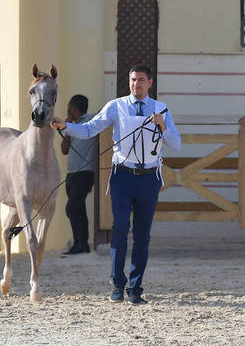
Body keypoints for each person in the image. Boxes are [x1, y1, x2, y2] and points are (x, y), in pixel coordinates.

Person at [51, 66, 181, 305]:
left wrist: (162, 125)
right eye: (133, 80)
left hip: (149, 178)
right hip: (122, 175)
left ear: (150, 83)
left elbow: (177, 144)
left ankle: (135, 288)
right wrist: (66, 126)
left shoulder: (161, 109)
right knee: (120, 228)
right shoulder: (116, 106)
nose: (136, 84)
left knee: (142, 235)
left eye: (141, 80)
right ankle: (117, 284)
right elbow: (90, 129)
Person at [59, 94, 97, 255]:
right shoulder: (72, 127)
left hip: (85, 173)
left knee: (72, 208)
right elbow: (64, 150)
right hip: (71, 174)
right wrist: (68, 126)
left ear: (74, 109)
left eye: (69, 109)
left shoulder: (92, 121)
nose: (68, 112)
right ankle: (82, 244)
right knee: (79, 208)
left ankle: (79, 243)